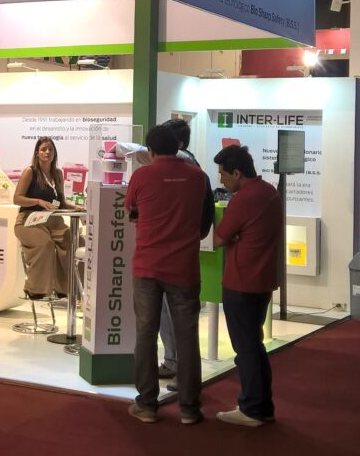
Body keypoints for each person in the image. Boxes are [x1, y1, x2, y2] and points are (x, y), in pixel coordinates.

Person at [115, 118, 215, 380]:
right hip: (184, 265)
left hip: (148, 264)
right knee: (188, 333)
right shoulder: (198, 175)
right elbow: (204, 214)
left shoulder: (143, 175)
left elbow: (131, 210)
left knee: (145, 333)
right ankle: (189, 398)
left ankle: (147, 397)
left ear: (151, 150)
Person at [212, 144, 282, 427]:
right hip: (262, 281)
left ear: (237, 173)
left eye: (223, 174)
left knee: (246, 348)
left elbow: (219, 237)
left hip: (241, 281)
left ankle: (252, 408)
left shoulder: (243, 199)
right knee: (254, 344)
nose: (221, 180)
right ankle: (262, 406)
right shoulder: (269, 192)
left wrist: (233, 236)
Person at [13, 137, 80, 299]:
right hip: (29, 220)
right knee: (45, 243)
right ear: (37, 153)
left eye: (50, 149)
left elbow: (61, 202)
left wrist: (76, 208)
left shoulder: (58, 174)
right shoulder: (30, 172)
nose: (47, 152)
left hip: (53, 220)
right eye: (43, 149)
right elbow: (17, 198)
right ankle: (35, 289)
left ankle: (66, 288)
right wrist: (38, 201)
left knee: (73, 241)